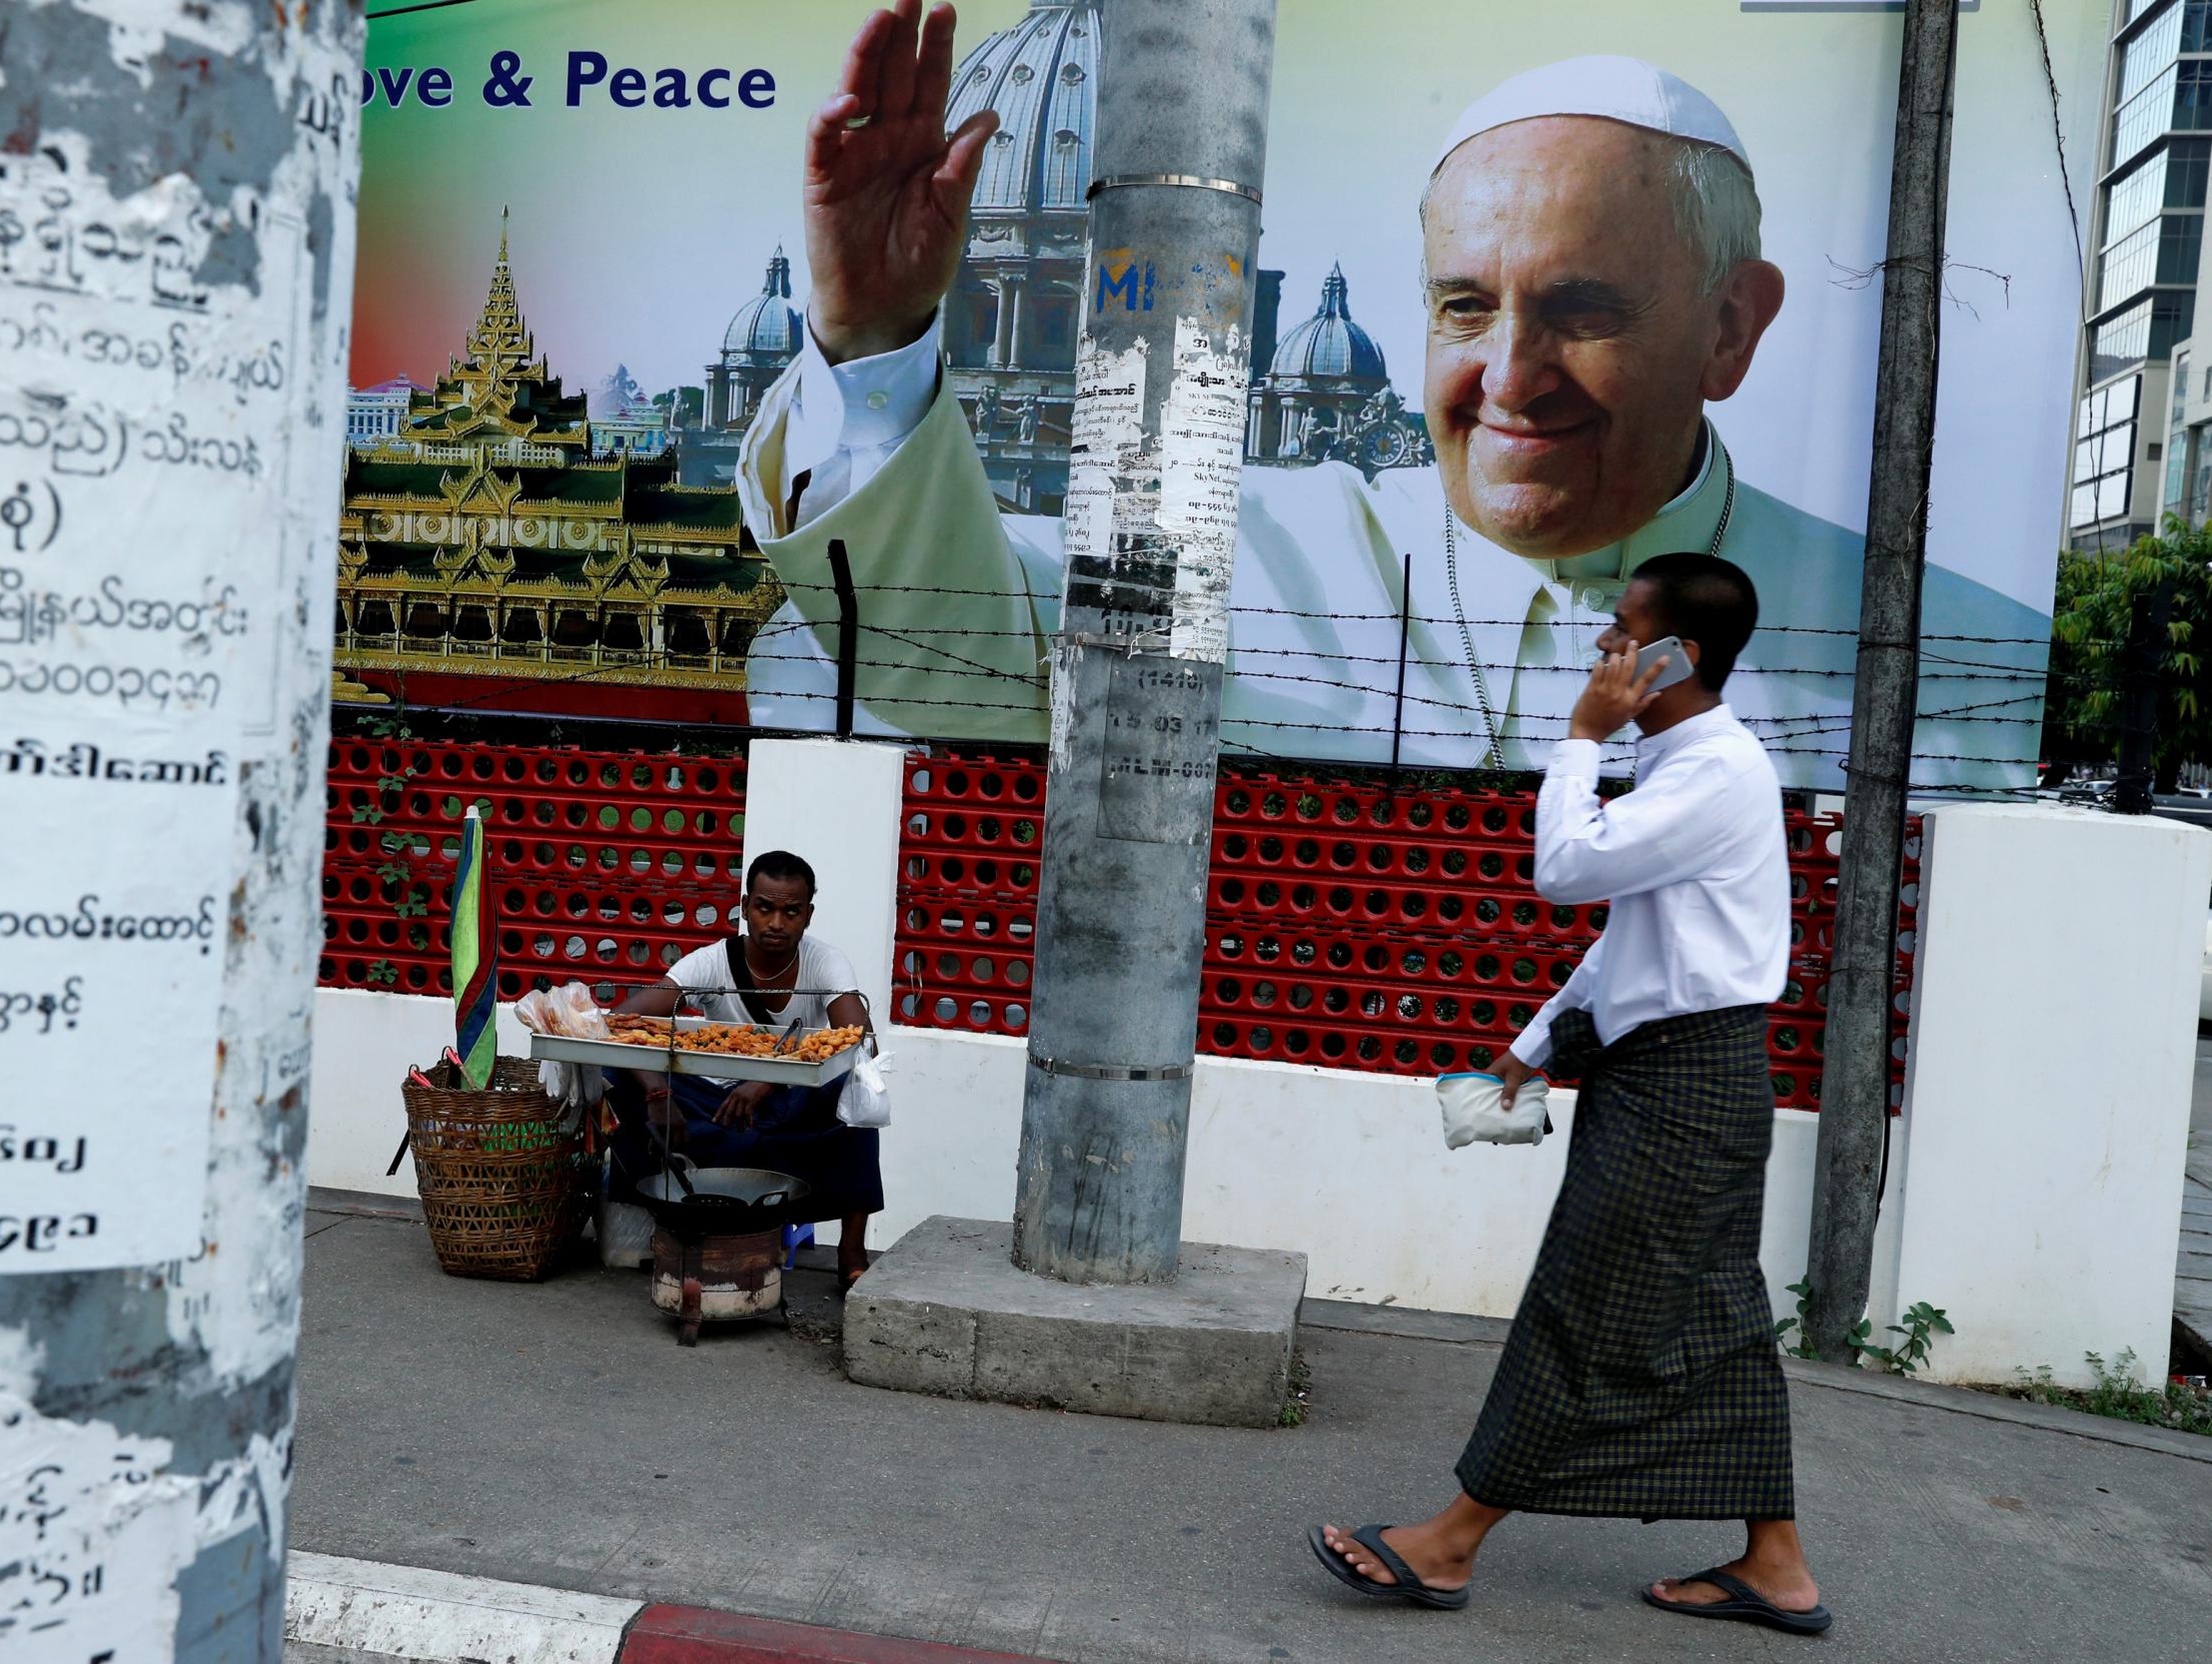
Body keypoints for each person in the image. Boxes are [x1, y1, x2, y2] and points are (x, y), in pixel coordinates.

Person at [732, 5, 2044, 787]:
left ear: (1729, 330)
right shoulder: (1247, 542)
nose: (1511, 378)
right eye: (1466, 307)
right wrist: (877, 334)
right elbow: (956, 652)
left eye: (1586, 311)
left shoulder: (1936, 657)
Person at [1309, 551, 1830, 1636]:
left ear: (1675, 654)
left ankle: (1448, 1543)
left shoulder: (1712, 771)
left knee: (1583, 1306)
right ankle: (1776, 1565)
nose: (1600, 647)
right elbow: (1631, 939)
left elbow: (1566, 869)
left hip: (1683, 1085)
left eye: (1620, 631)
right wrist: (1528, 1048)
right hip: (1679, 1071)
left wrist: (1581, 738)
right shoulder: (1689, 765)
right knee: (1714, 1316)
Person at [607, 849, 880, 1290]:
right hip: (719, 1102)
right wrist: (661, 1095)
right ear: (745, 907)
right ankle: (662, 1232)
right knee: (623, 1079)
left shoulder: (824, 962)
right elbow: (622, 1023)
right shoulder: (711, 961)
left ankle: (852, 1250)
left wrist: (769, 1080)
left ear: (808, 915)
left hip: (793, 1100)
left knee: (857, 1092)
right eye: (765, 908)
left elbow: (860, 1039)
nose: (776, 923)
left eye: (791, 912)